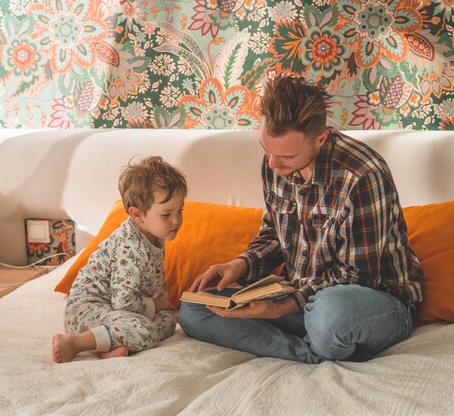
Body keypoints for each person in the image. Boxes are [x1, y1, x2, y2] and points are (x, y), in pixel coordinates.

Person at [178, 75, 424, 364]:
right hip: (301, 296)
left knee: (330, 315)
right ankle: (307, 352)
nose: (271, 164)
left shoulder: (362, 175)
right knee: (194, 309)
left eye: (285, 156)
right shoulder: (275, 161)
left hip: (370, 302)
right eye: (266, 150)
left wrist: (280, 307)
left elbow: (357, 277)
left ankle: (320, 337)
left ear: (320, 138)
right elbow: (274, 234)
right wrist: (241, 264)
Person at [52, 156, 187, 363]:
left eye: (180, 211)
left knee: (168, 322)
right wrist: (157, 305)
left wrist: (163, 306)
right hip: (88, 310)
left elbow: (155, 285)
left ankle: (107, 343)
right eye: (166, 214)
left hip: (118, 310)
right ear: (137, 214)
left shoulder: (155, 235)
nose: (176, 220)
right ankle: (76, 343)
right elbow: (123, 302)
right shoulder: (131, 246)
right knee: (146, 331)